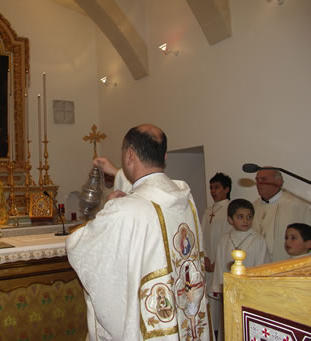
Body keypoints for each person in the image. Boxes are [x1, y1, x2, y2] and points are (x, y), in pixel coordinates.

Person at [66, 124, 212, 340]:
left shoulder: (125, 209)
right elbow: (148, 188)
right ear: (165, 157)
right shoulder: (184, 198)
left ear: (130, 155)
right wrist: (119, 174)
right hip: (184, 313)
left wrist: (109, 209)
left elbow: (78, 245)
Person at [211, 199, 270, 341]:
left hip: (250, 292)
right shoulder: (224, 239)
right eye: (240, 217)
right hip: (229, 292)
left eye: (249, 217)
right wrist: (218, 286)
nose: (245, 221)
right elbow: (220, 264)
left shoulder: (258, 240)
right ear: (230, 220)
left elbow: (262, 266)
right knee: (229, 325)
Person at [251, 168, 311, 262]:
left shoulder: (295, 205)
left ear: (278, 182)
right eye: (257, 180)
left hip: (286, 268)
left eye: (264, 179)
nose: (259, 184)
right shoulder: (253, 207)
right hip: (256, 267)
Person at [200, 172, 232, 337]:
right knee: (209, 305)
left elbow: (227, 239)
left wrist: (217, 262)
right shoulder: (208, 211)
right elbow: (202, 235)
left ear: (226, 189)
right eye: (211, 187)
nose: (213, 191)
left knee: (222, 306)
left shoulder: (230, 210)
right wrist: (204, 256)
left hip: (220, 263)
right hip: (207, 262)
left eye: (217, 187)